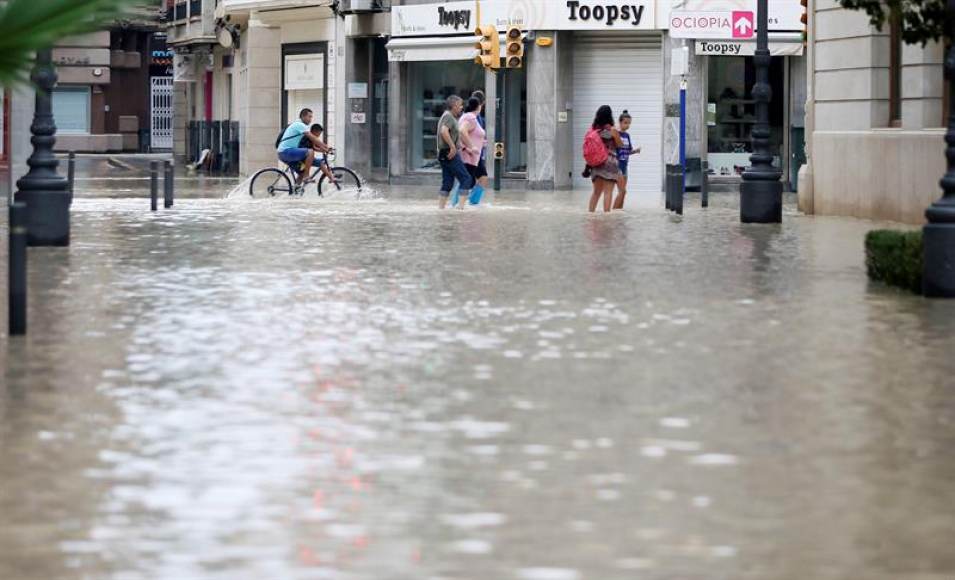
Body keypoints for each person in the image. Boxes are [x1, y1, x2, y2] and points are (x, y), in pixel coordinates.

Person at [437, 95, 474, 209]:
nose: (462, 107)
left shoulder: (447, 116)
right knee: (466, 179)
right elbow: (444, 131)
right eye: (460, 105)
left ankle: (441, 209)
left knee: (447, 183)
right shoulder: (448, 116)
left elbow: (450, 135)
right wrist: (453, 147)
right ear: (454, 106)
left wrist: (462, 147)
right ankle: (461, 209)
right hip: (449, 152)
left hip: (444, 153)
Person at [585, 105, 623, 213]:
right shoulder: (612, 130)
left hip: (596, 164)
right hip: (610, 162)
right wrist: (616, 136)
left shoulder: (594, 131)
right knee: (608, 192)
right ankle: (607, 218)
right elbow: (620, 145)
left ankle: (590, 214)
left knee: (596, 192)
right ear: (610, 116)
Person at [276, 108, 325, 186]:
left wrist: (324, 148)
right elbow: (313, 138)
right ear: (303, 116)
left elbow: (314, 141)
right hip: (286, 152)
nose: (310, 119)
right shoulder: (300, 125)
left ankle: (295, 191)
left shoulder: (299, 125)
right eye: (309, 117)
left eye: (311, 117)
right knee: (310, 152)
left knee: (302, 172)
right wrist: (326, 147)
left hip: (284, 153)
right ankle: (307, 176)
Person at [456, 97, 487, 208]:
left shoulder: (469, 116)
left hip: (473, 156)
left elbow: (470, 133)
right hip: (469, 155)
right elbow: (462, 131)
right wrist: (471, 146)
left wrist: (481, 142)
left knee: (469, 180)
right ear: (479, 106)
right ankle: (458, 205)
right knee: (467, 181)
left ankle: (465, 204)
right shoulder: (470, 117)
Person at [612, 110, 641, 210]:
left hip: (625, 166)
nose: (627, 125)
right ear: (620, 122)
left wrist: (635, 151)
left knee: (623, 192)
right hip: (617, 165)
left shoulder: (627, 135)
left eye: (629, 123)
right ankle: (613, 212)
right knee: (622, 191)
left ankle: (619, 211)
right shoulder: (616, 134)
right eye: (625, 123)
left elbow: (627, 151)